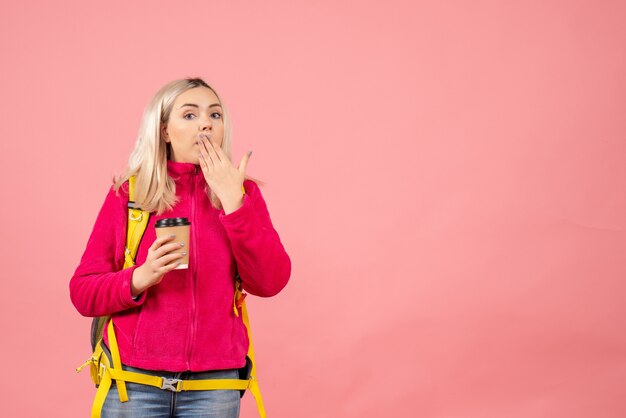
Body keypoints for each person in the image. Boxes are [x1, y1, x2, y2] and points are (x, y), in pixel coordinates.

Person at [69, 77, 291, 417]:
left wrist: (234, 203)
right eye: (189, 115)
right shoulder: (130, 194)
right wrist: (139, 278)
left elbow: (271, 281)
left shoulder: (243, 194)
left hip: (215, 387)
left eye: (215, 115)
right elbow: (83, 292)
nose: (206, 122)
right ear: (164, 131)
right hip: (133, 382)